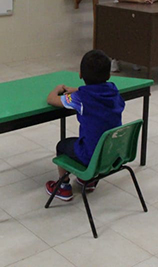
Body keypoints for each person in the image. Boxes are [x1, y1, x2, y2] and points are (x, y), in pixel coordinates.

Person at [45, 49, 125, 201]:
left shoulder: (80, 98)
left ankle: (63, 187)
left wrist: (57, 89)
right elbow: (96, 92)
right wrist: (77, 90)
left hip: (92, 156)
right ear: (108, 75)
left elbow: (52, 100)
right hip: (113, 153)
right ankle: (89, 181)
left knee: (62, 145)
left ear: (80, 74)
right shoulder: (113, 90)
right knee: (90, 139)